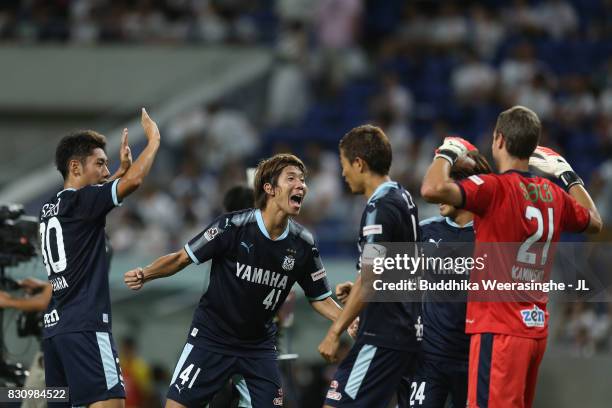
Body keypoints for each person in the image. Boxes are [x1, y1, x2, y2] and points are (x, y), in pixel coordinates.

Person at [124, 153, 343, 408]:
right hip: (211, 338)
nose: (301, 185)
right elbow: (181, 258)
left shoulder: (304, 243)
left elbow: (320, 298)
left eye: (303, 180)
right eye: (291, 178)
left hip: (258, 347)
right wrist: (145, 274)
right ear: (269, 188)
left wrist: (346, 320)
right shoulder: (232, 226)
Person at [420, 105, 602, 408]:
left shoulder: (494, 188)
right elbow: (595, 222)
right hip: (534, 330)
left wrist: (446, 151)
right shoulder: (553, 193)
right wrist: (566, 173)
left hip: (499, 329)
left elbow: (431, 188)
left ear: (499, 139)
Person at [40, 108, 161, 408]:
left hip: (55, 332)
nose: (107, 171)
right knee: (110, 404)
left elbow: (96, 194)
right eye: (101, 164)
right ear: (75, 167)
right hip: (87, 327)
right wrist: (154, 140)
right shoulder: (83, 203)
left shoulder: (49, 208)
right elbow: (134, 183)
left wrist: (118, 173)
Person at [318, 125, 421, 408]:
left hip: (383, 333)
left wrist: (334, 331)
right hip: (408, 329)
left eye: (344, 165)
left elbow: (372, 276)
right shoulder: (403, 196)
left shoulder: (380, 206)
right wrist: (358, 288)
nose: (342, 173)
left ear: (359, 164)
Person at [409, 151, 491, 408]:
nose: (437, 195)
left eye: (446, 187)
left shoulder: (490, 236)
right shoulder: (425, 231)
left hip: (474, 359)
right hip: (429, 358)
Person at [0, 278, 52, 408]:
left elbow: (45, 302)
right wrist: (44, 286)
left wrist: (8, 302)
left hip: (55, 355)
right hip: (48, 352)